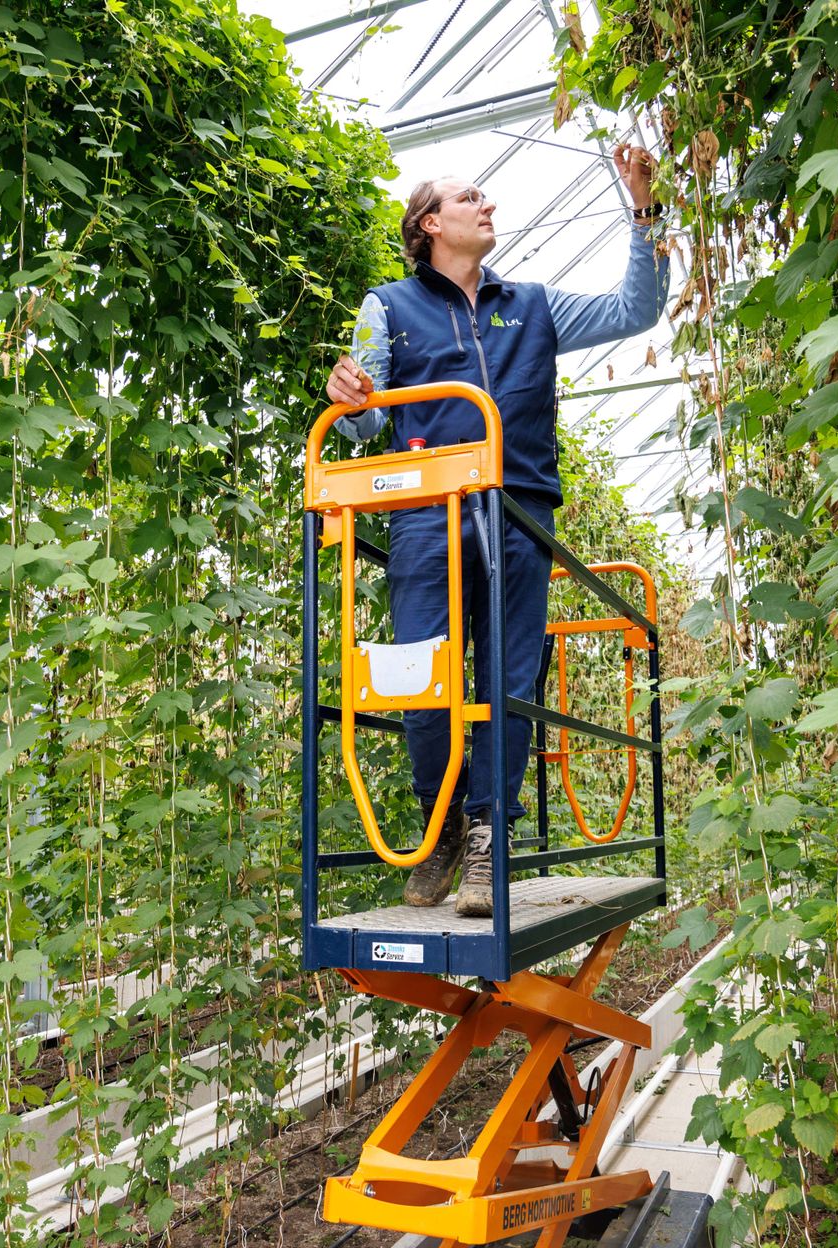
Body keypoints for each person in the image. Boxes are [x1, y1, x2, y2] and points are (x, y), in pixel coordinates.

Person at [324, 144, 667, 916]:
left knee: (510, 679)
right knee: (422, 678)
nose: (490, 206)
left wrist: (644, 206)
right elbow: (358, 422)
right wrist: (350, 393)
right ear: (430, 223)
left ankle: (488, 836)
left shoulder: (534, 304)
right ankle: (441, 820)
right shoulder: (388, 306)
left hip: (517, 511)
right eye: (470, 197)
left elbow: (634, 311)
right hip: (424, 515)